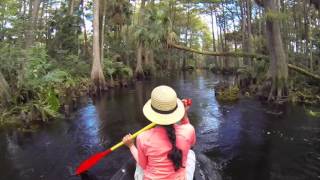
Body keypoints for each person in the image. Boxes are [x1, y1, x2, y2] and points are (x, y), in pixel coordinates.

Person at [122, 85, 196, 180]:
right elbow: (192, 144)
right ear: (176, 111)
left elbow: (143, 165)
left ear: (153, 113)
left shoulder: (142, 137)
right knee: (191, 153)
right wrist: (184, 115)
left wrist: (131, 145)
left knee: (139, 165)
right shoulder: (189, 130)